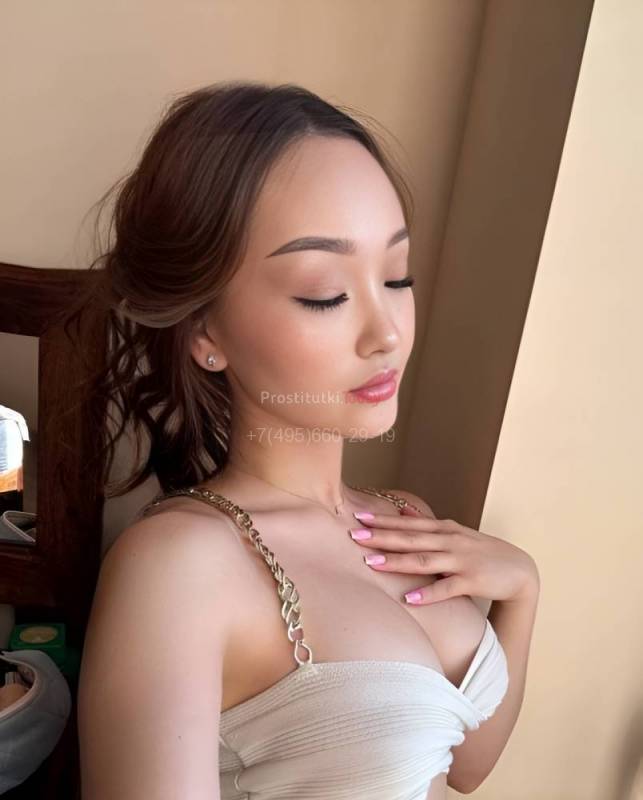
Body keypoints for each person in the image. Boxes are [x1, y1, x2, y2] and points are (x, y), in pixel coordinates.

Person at [71, 80, 538, 799]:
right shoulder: (178, 566)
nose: (387, 334)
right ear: (205, 331)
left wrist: (522, 592)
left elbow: (464, 768)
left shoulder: (404, 518)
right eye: (325, 293)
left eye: (397, 276)